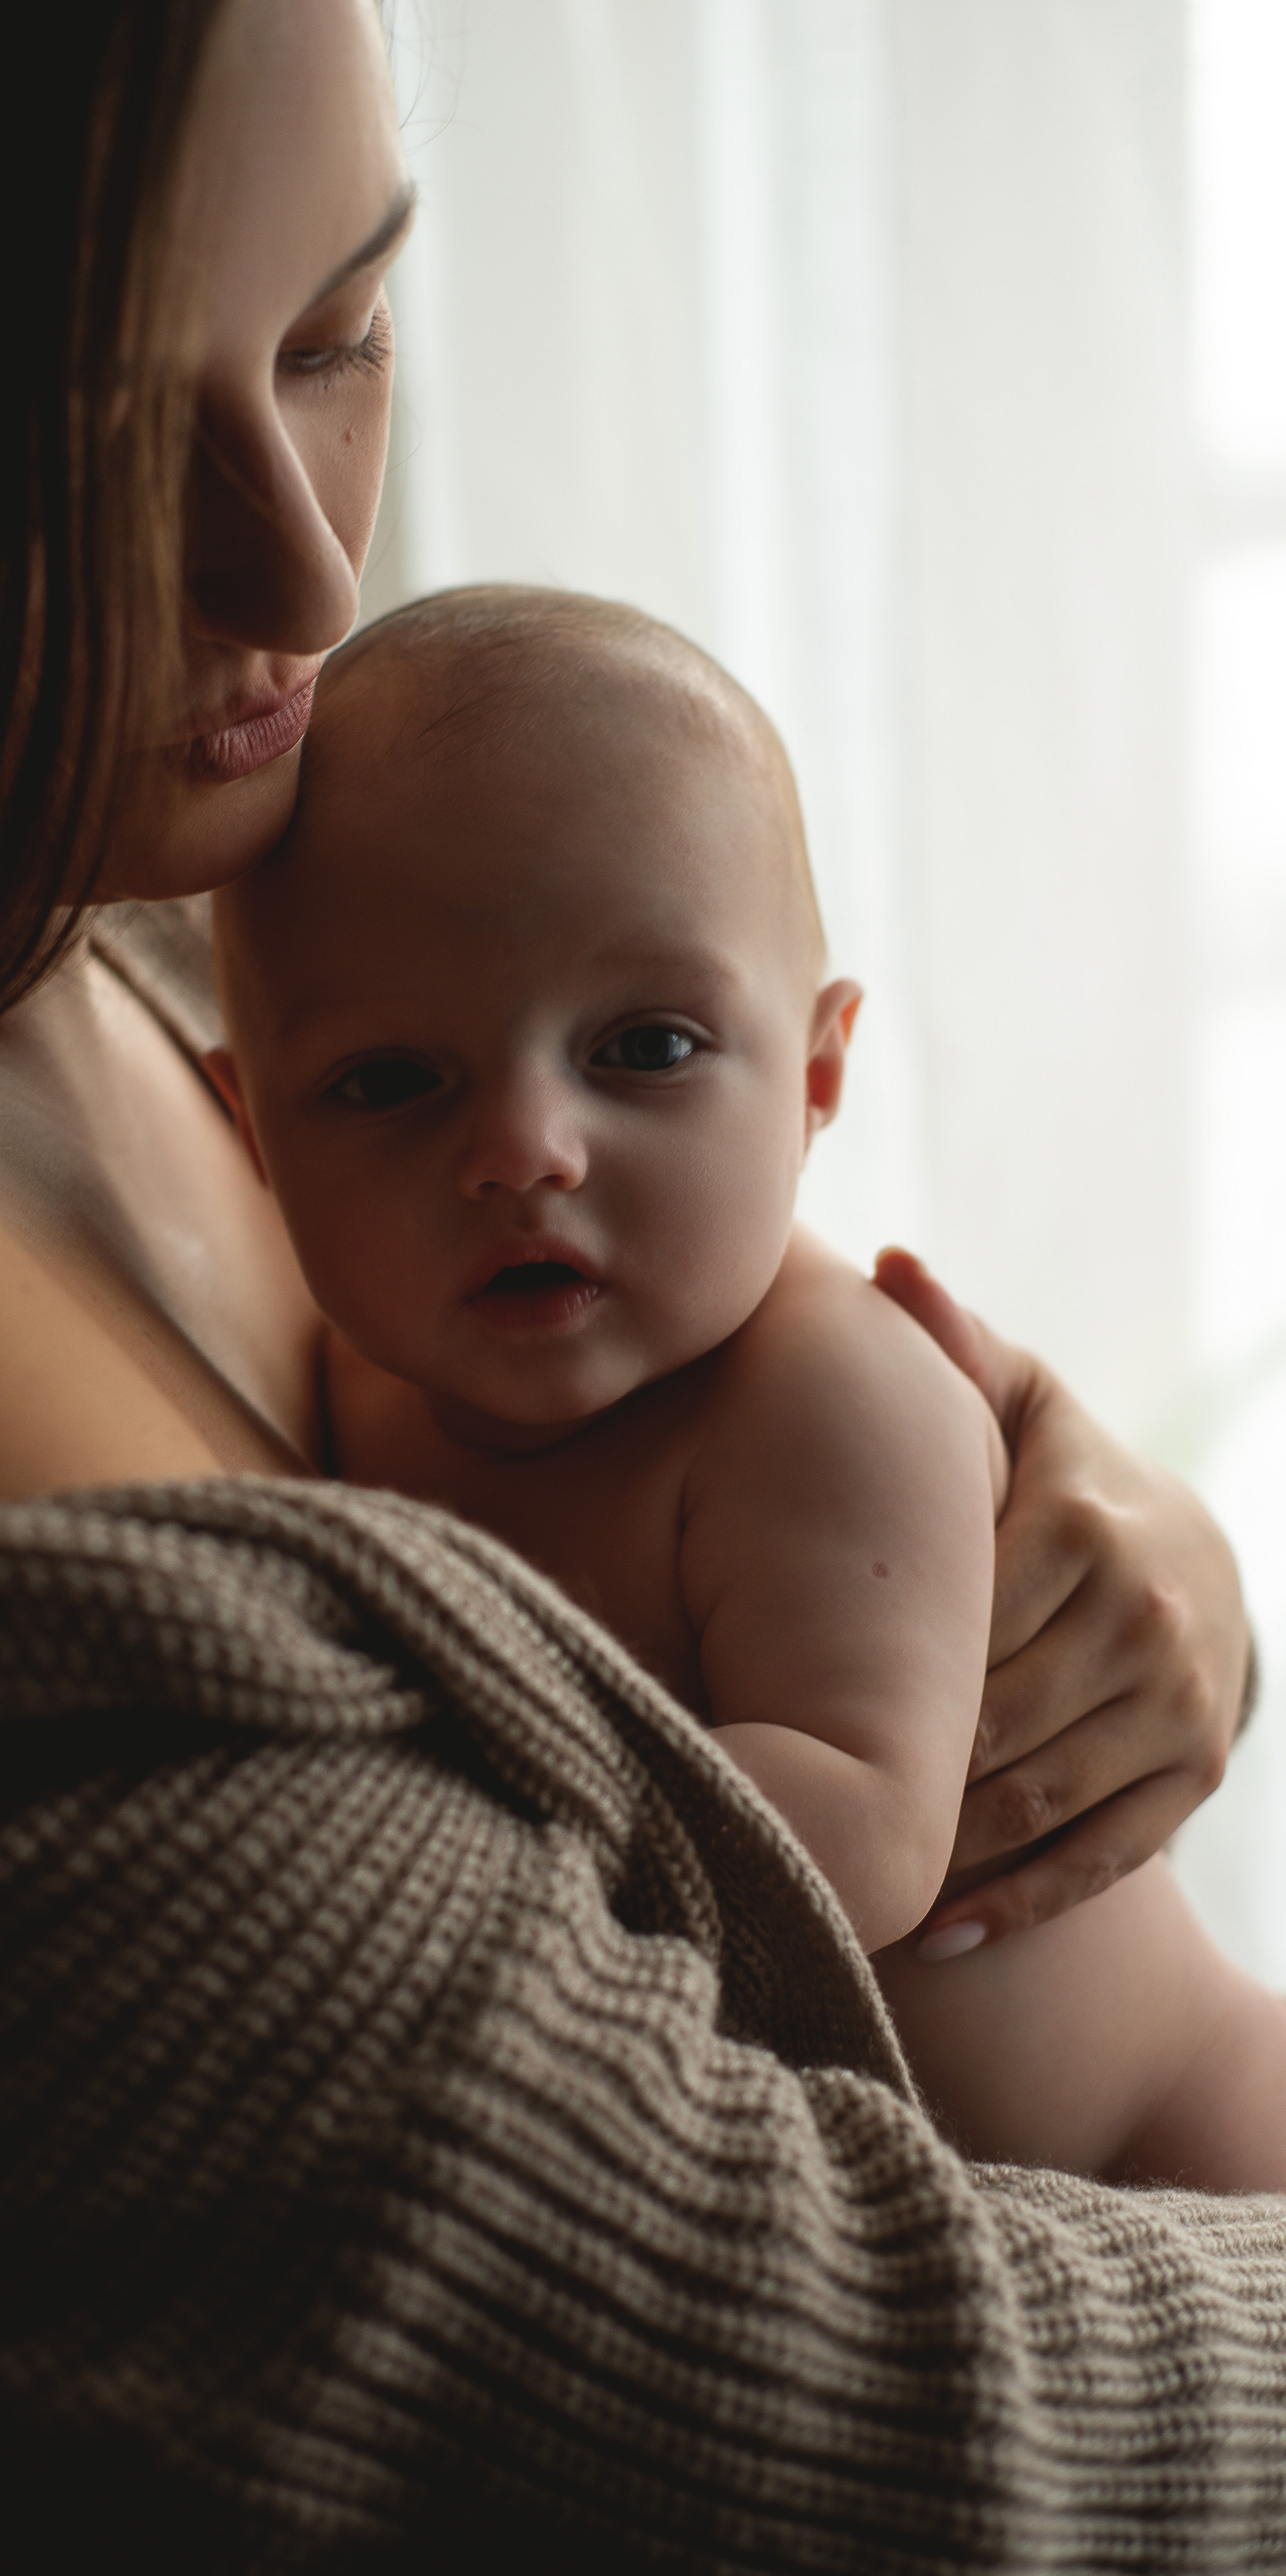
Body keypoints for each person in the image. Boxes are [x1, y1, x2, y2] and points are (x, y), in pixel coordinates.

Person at [0, 1, 1281, 2563]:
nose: (309, 573)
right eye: (73, 440)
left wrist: (1110, 1572)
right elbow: (773, 2385)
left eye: (343, 329)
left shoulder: (110, 936)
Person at [207, 583, 1286, 2195]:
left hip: (1182, 2145)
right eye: (385, 1082)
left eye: (640, 1048)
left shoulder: (823, 1392)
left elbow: (860, 1837)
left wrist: (394, 1826)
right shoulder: (350, 1378)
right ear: (251, 1134)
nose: (522, 1152)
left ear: (815, 1076)